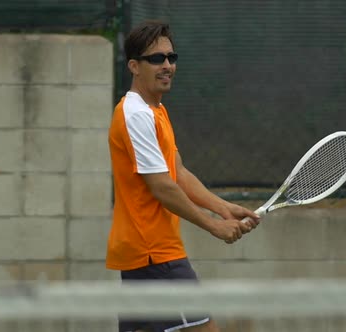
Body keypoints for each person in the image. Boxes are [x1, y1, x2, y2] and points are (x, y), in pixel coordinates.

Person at [106, 20, 261, 332]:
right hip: (156, 255)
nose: (167, 65)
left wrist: (223, 207)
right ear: (135, 66)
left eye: (171, 58)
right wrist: (214, 226)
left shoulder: (155, 112)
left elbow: (177, 173)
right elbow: (162, 187)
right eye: (156, 59)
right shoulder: (136, 115)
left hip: (143, 255)